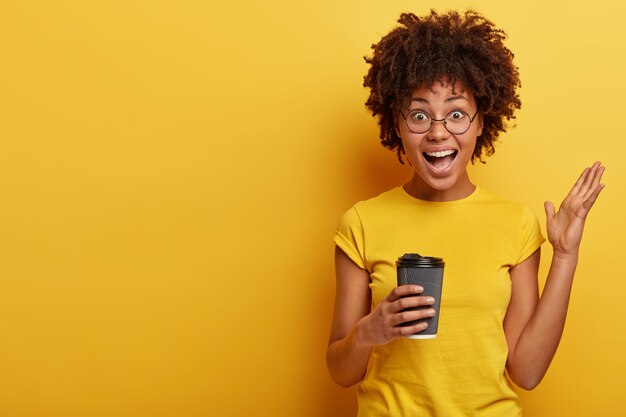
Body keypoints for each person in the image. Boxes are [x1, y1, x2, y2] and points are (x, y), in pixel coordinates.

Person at [326, 10, 605, 416]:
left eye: (456, 113)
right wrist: (370, 331)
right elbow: (340, 370)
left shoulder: (516, 224)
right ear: (397, 124)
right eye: (419, 114)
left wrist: (564, 255)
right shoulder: (361, 223)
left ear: (480, 122)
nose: (438, 131)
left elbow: (525, 371)